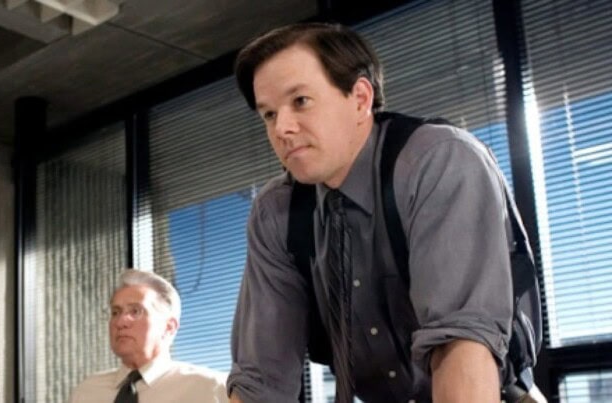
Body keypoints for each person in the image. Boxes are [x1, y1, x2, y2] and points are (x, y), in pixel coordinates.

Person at [228, 22, 543, 403]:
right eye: (268, 114)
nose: (282, 128)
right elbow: (261, 380)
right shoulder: (276, 212)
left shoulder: (436, 161)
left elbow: (463, 345)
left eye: (300, 101)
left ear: (360, 98)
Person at [69, 269, 229, 403]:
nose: (120, 322)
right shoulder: (86, 392)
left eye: (135, 311)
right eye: (115, 312)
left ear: (169, 327)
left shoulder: (213, 389)